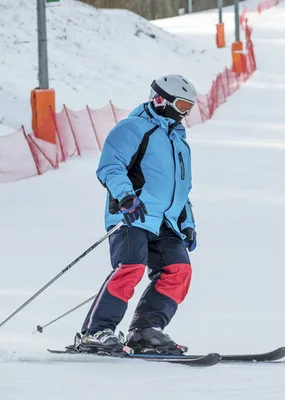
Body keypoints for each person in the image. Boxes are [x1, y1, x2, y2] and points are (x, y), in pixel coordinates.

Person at [79, 74, 198, 355]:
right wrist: (126, 196)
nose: (185, 113)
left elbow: (182, 188)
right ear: (160, 100)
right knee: (130, 268)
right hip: (133, 213)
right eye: (182, 105)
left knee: (179, 271)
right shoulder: (132, 128)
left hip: (165, 221)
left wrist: (187, 221)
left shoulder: (179, 141)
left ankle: (146, 330)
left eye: (190, 107)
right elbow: (110, 167)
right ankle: (96, 332)